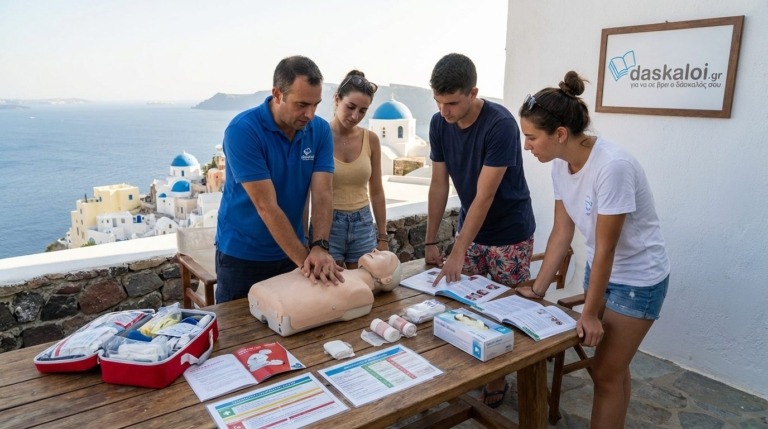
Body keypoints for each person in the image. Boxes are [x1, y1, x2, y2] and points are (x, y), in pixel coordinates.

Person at [516, 71, 670, 428]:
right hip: (601, 270)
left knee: (603, 373)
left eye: (531, 137)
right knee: (613, 371)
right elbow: (561, 232)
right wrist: (537, 290)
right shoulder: (559, 164)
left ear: (559, 134)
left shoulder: (612, 166)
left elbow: (606, 248)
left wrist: (587, 312)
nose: (527, 146)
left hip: (638, 279)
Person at [424, 53, 536, 408]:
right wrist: (429, 240)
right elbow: (439, 184)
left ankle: (499, 378)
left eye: (453, 103)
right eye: (439, 102)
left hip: (509, 232)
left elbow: (485, 196)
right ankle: (469, 371)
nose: (445, 111)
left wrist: (458, 250)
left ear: (473, 92)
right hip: (469, 229)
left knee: (502, 310)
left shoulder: (500, 124)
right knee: (464, 307)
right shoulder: (439, 123)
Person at [215, 55, 343, 304]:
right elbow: (266, 206)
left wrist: (319, 247)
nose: (310, 114)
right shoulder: (243, 131)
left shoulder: (319, 130)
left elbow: (322, 193)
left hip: (291, 250)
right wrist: (307, 262)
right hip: (243, 257)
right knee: (239, 337)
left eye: (316, 105)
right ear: (277, 94)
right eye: (302, 104)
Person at [248, 250, 402, 336]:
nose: (376, 251)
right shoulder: (338, 269)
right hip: (274, 294)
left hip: (283, 306)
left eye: (384, 256)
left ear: (387, 279)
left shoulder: (362, 292)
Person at [325, 70, 388, 269]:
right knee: (331, 291)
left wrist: (383, 236)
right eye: (350, 107)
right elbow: (307, 191)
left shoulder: (371, 140)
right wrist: (307, 237)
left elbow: (377, 191)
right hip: (328, 224)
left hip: (363, 223)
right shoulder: (319, 136)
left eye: (362, 111)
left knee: (365, 286)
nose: (355, 116)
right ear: (337, 100)